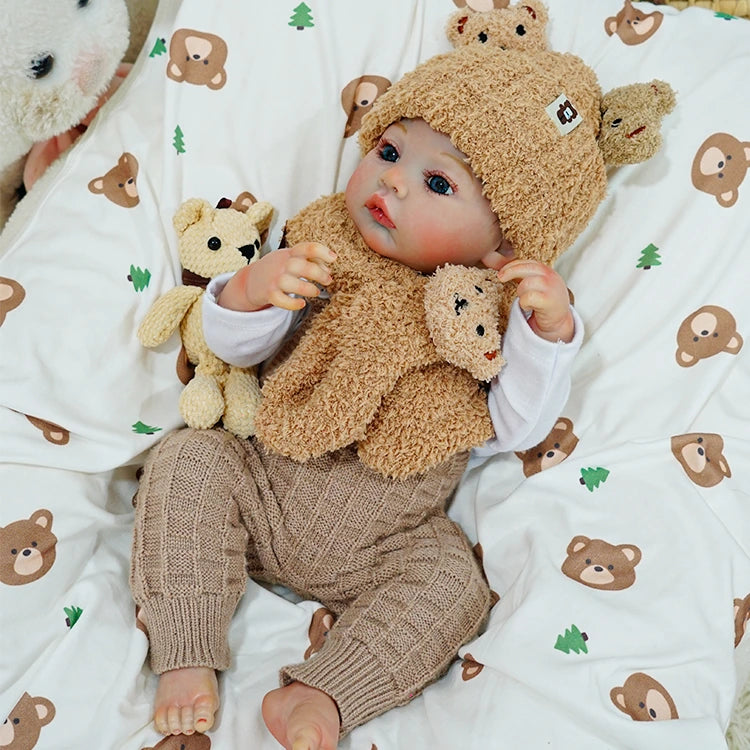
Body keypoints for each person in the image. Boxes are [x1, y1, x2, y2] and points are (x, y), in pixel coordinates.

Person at [130, 42, 609, 750]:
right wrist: (254, 292)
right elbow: (236, 351)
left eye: (439, 185)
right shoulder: (319, 247)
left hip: (387, 544)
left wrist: (547, 331)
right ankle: (188, 645)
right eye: (388, 150)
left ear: (501, 244)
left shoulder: (485, 314)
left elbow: (515, 427)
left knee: (455, 586)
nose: (395, 184)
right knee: (190, 460)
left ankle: (325, 692)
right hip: (262, 487)